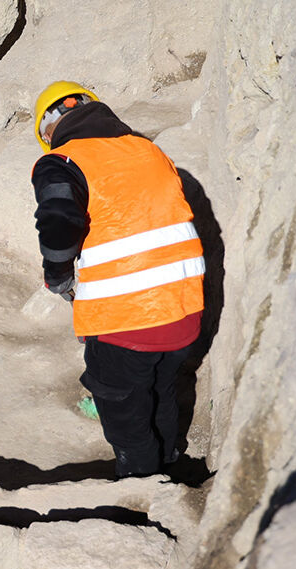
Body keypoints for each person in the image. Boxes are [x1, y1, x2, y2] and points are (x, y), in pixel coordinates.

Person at [31, 81, 205, 477]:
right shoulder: (149, 150)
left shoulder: (63, 161)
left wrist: (57, 276)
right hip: (184, 310)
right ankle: (171, 460)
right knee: (160, 390)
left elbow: (59, 223)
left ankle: (142, 486)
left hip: (126, 323)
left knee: (125, 412)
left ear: (48, 134)